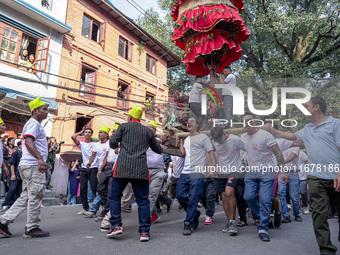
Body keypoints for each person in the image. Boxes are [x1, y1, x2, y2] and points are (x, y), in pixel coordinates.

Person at [270, 96, 340, 255]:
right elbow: (292, 136)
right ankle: (326, 250)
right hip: (315, 177)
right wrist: (274, 131)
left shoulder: (335, 124)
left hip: (336, 176)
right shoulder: (307, 128)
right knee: (319, 215)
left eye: (307, 106)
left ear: (317, 107)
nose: (305, 109)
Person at [107, 106, 166, 242]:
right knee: (143, 201)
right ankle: (144, 231)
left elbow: (112, 144)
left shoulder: (123, 127)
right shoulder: (147, 131)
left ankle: (116, 225)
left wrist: (118, 140)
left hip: (122, 168)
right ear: (140, 119)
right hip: (140, 170)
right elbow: (157, 149)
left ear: (129, 117)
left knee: (115, 196)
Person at [0, 97, 50, 238]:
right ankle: (32, 228)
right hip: (33, 165)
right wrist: (40, 159)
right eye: (44, 109)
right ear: (35, 111)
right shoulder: (33, 124)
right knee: (35, 195)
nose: (47, 112)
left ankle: (3, 221)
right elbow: (28, 141)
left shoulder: (33, 124)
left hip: (28, 165)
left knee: (27, 196)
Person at [241, 113, 288, 242]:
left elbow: (278, 153)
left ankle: (263, 228)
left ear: (255, 122)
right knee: (248, 197)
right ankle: (262, 217)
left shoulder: (265, 135)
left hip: (267, 171)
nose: (247, 124)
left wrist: (282, 171)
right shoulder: (243, 137)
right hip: (251, 171)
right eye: (244, 121)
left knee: (265, 199)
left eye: (249, 121)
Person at [177, 117, 217, 236]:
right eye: (187, 121)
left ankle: (188, 223)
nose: (189, 123)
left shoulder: (203, 137)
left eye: (192, 121)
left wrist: (214, 167)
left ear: (197, 124)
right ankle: (194, 214)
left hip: (197, 172)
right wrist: (181, 143)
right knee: (179, 195)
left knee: (193, 198)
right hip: (185, 172)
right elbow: (183, 154)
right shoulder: (187, 139)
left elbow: (210, 151)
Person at [210, 126, 247, 234]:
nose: (219, 142)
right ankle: (230, 221)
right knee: (224, 196)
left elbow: (247, 149)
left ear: (224, 134)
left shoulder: (235, 139)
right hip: (222, 171)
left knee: (229, 192)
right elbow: (210, 151)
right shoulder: (214, 141)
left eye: (220, 139)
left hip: (235, 170)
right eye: (217, 141)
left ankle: (233, 222)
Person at [84, 126, 111, 218]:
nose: (99, 134)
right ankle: (106, 208)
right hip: (100, 169)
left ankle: (93, 210)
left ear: (106, 134)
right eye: (99, 132)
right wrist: (89, 163)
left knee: (100, 189)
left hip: (107, 169)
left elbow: (106, 158)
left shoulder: (109, 144)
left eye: (102, 132)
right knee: (102, 189)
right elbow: (93, 155)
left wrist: (100, 170)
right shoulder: (97, 144)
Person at [71, 127, 96, 215]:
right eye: (86, 132)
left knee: (94, 188)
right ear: (84, 134)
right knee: (82, 189)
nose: (87, 134)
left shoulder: (95, 144)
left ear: (91, 134)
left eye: (89, 132)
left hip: (93, 168)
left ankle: (100, 206)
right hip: (84, 169)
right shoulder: (81, 144)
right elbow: (73, 137)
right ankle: (85, 208)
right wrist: (80, 132)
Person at [2, 141, 23, 211]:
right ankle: (6, 203)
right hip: (15, 174)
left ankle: (14, 205)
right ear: (19, 146)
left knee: (19, 191)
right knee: (12, 189)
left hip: (22, 176)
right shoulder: (16, 153)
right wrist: (13, 174)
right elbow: (12, 164)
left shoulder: (26, 154)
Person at [298, 150, 309, 214]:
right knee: (295, 194)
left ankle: (305, 205)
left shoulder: (302, 154)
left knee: (303, 192)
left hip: (303, 176)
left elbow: (308, 164)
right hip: (294, 176)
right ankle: (298, 209)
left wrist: (308, 175)